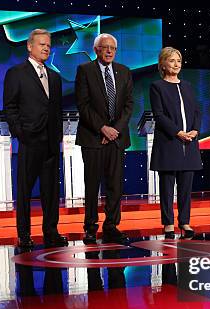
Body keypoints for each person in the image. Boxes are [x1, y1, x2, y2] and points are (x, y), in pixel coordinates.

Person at [3, 28, 68, 248]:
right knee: (25, 190)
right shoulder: (16, 73)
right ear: (30, 46)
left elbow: (57, 110)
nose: (46, 48)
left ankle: (51, 231)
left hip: (50, 142)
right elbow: (10, 107)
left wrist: (57, 136)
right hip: (30, 140)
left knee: (51, 191)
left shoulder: (55, 77)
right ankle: (24, 234)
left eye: (48, 45)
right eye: (42, 44)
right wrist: (21, 133)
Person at [75, 33, 134, 245]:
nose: (109, 51)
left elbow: (129, 105)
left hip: (117, 139)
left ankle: (111, 226)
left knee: (115, 185)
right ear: (96, 50)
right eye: (105, 47)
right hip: (93, 138)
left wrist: (114, 130)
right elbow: (83, 105)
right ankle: (90, 227)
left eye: (112, 48)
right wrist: (102, 128)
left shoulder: (124, 72)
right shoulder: (85, 70)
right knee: (92, 185)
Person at [149, 47, 202, 239]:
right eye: (172, 61)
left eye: (179, 60)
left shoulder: (187, 85)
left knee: (186, 187)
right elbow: (159, 115)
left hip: (189, 143)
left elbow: (197, 110)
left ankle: (185, 221)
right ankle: (168, 223)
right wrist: (178, 132)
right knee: (167, 186)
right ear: (163, 64)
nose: (176, 64)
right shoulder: (157, 86)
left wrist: (195, 130)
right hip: (169, 143)